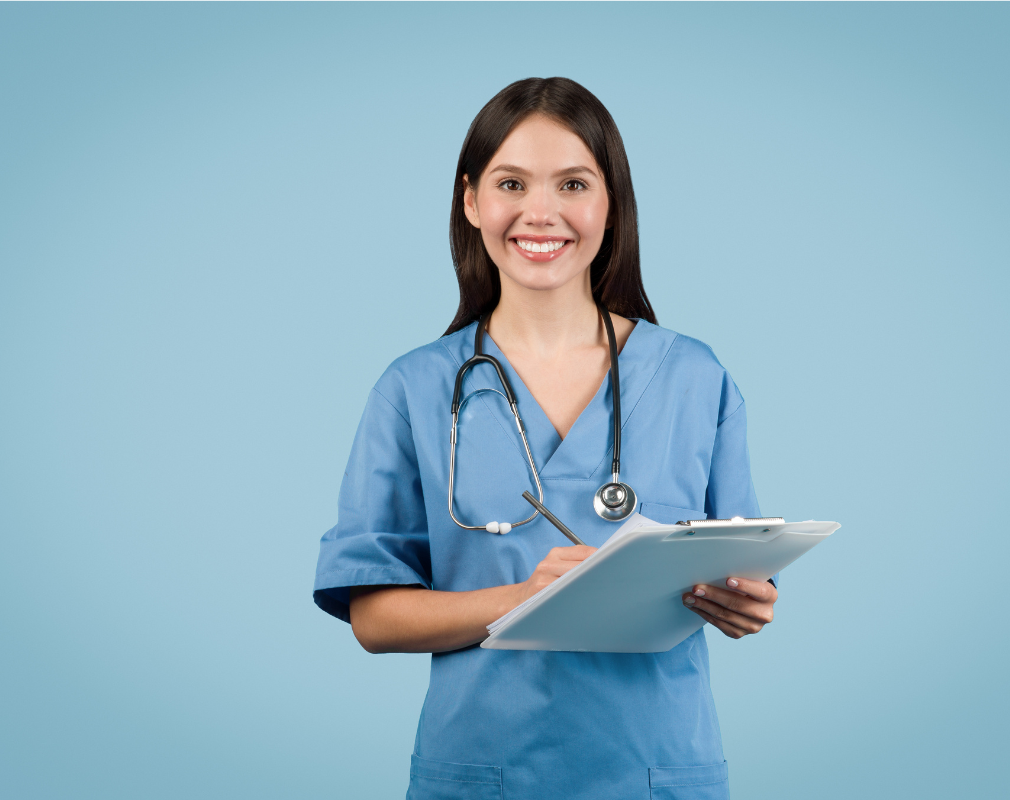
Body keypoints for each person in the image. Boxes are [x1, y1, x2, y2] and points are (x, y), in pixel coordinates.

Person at [313, 77, 778, 800]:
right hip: (484, 772)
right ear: (471, 201)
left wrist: (748, 602)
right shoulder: (414, 389)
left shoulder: (694, 375)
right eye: (511, 183)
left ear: (610, 204)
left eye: (572, 183)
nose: (541, 212)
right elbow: (373, 618)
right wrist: (521, 597)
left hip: (658, 773)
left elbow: (745, 561)